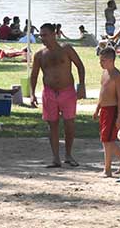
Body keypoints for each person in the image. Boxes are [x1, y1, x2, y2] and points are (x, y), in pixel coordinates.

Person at [30, 23, 86, 168]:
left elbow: (80, 66)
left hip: (67, 91)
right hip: (49, 92)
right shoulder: (39, 55)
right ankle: (56, 158)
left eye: (45, 35)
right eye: (41, 35)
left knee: (69, 124)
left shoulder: (66, 49)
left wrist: (81, 86)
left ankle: (68, 155)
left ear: (54, 34)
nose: (43, 38)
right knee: (52, 126)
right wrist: (32, 94)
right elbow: (34, 75)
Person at [93, 47, 120, 177]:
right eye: (100, 60)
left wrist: (119, 117)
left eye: (103, 60)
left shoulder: (117, 76)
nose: (101, 63)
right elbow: (102, 93)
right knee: (108, 140)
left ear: (111, 60)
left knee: (107, 140)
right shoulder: (104, 73)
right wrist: (97, 109)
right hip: (104, 110)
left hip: (112, 110)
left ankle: (107, 169)